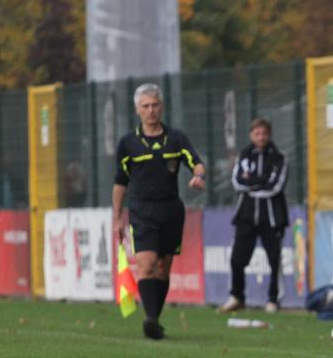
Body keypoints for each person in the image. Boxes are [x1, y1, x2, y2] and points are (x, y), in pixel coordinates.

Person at [112, 84, 206, 340]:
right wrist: (116, 217)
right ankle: (150, 320)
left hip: (171, 211)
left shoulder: (176, 139)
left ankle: (155, 318)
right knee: (146, 264)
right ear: (137, 110)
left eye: (154, 105)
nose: (150, 110)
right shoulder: (128, 143)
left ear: (161, 107)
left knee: (163, 268)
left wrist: (199, 176)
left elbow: (195, 162)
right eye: (145, 106)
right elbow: (120, 182)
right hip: (141, 210)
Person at [219, 117, 289, 314]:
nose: (261, 137)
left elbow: (275, 186)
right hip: (246, 215)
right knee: (237, 259)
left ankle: (273, 300)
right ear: (251, 135)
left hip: (272, 217)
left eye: (264, 133)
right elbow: (237, 183)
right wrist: (260, 181)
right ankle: (237, 296)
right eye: (257, 133)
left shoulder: (279, 157)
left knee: (274, 259)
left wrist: (252, 184)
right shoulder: (243, 155)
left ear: (270, 135)